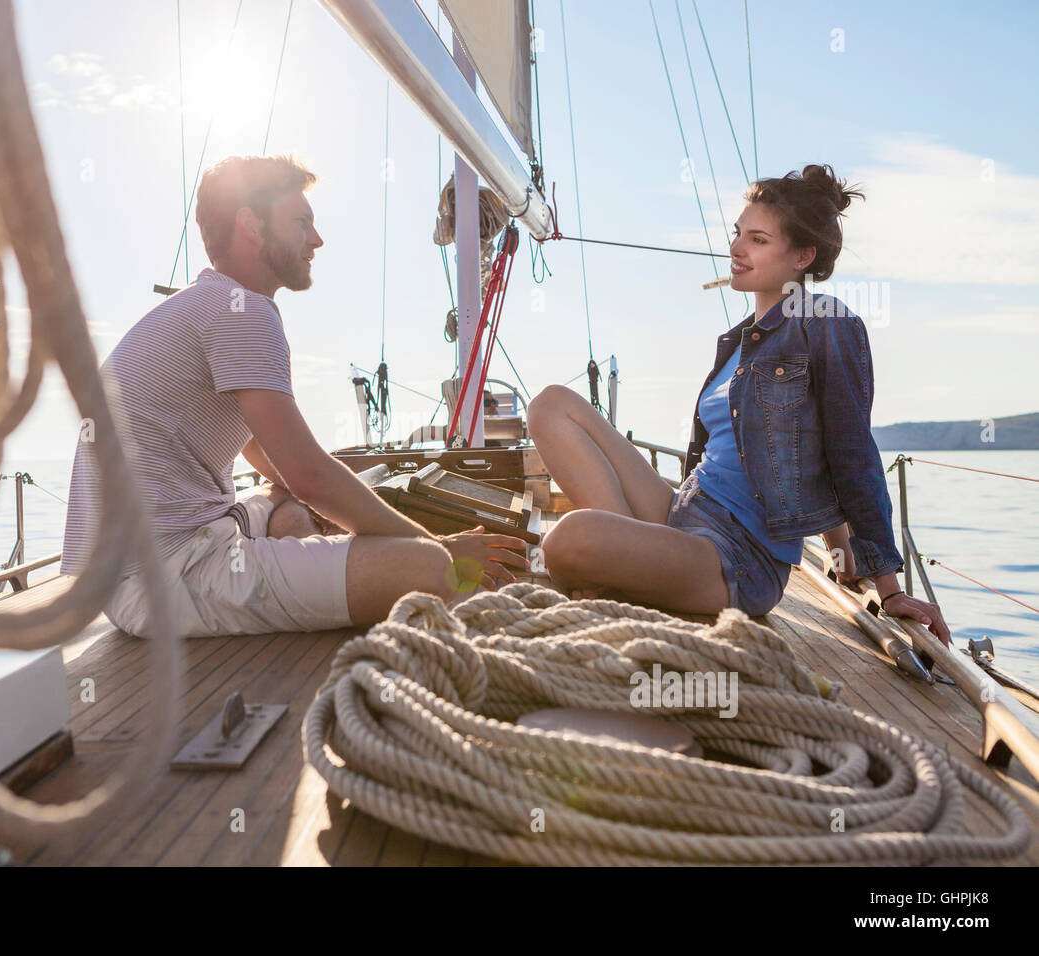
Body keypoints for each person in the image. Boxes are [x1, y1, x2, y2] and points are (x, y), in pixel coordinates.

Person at [60, 154, 527, 639]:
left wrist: (329, 518)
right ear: (251, 226)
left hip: (133, 569)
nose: (316, 239)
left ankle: (309, 565)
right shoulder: (244, 312)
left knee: (281, 494)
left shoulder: (208, 302)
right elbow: (310, 475)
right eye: (302, 223)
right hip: (166, 577)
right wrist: (442, 547)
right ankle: (323, 570)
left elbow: (261, 452)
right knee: (432, 568)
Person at [527, 164, 950, 645]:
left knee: (568, 539)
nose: (736, 248)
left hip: (738, 557)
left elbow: (849, 451)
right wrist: (840, 552)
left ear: (803, 256)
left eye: (758, 239)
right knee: (551, 405)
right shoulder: (737, 341)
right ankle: (626, 563)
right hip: (685, 511)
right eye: (737, 233)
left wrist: (885, 584)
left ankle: (614, 561)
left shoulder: (826, 324)